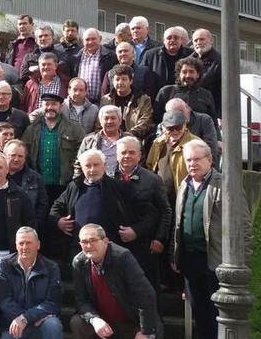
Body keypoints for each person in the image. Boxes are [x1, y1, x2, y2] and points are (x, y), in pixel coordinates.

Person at [171, 139, 250, 339]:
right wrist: (175, 256)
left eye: (197, 159)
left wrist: (241, 261)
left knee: (220, 313)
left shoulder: (224, 184)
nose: (192, 164)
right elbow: (179, 223)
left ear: (210, 159)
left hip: (216, 261)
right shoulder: (185, 184)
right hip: (190, 261)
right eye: (189, 160)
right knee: (201, 313)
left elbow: (243, 225)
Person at [70, 224, 161, 339]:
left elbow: (146, 294)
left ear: (105, 241)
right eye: (84, 242)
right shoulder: (79, 262)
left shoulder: (122, 257)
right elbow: (81, 301)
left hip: (130, 321)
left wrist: (145, 332)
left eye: (93, 240)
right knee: (77, 322)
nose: (88, 245)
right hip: (104, 322)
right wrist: (94, 319)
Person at [50, 150, 157, 259]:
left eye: (96, 165)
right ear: (82, 168)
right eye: (88, 166)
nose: (92, 169)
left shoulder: (120, 187)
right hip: (79, 250)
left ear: (104, 165)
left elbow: (150, 213)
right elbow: (55, 208)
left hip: (111, 251)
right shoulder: (74, 187)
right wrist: (59, 221)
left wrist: (135, 231)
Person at [0, 227, 63, 339]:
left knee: (53, 325)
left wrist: (26, 317)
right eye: (21, 243)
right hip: (14, 324)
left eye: (29, 243)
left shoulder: (51, 267)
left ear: (38, 244)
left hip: (40, 323)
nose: (24, 247)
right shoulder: (4, 264)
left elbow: (52, 302)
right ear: (16, 245)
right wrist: (22, 319)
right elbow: (4, 299)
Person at [115, 136, 171, 288]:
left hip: (145, 244)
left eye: (132, 152)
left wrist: (160, 239)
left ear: (140, 155)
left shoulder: (153, 180)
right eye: (123, 152)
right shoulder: (108, 178)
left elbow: (165, 211)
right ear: (116, 154)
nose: (127, 156)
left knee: (146, 288)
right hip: (116, 244)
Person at [22, 93, 84, 200]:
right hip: (37, 184)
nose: (50, 107)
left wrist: (73, 174)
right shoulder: (31, 129)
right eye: (46, 104)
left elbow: (82, 152)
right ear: (41, 106)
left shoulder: (74, 129)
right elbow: (24, 153)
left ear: (61, 106)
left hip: (64, 184)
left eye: (54, 104)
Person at [146, 111, 199, 199]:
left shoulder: (195, 143)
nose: (175, 131)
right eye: (170, 128)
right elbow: (150, 165)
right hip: (160, 195)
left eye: (178, 127)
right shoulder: (158, 143)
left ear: (185, 125)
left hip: (184, 195)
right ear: (163, 127)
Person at [158, 98, 220, 167]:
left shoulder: (204, 120)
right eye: (173, 115)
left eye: (181, 112)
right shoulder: (165, 126)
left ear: (188, 108)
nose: (177, 117)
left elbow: (211, 148)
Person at [99, 64, 154, 141]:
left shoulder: (143, 99)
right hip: (109, 139)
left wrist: (128, 135)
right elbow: (99, 122)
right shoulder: (106, 100)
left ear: (131, 81)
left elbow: (146, 121)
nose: (120, 82)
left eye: (124, 79)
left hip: (134, 139)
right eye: (117, 79)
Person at [153, 57, 217, 122]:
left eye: (191, 72)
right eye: (184, 72)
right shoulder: (165, 92)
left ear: (198, 74)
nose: (187, 76)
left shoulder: (206, 95)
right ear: (179, 74)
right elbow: (156, 120)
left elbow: (213, 122)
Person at [2, 140, 49, 227]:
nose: (16, 159)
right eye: (13, 155)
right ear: (4, 156)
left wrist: (36, 224)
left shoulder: (35, 178)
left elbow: (42, 205)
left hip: (26, 228)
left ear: (25, 158)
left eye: (20, 156)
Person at [141, 26, 192, 99]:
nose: (172, 40)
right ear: (164, 40)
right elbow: (142, 77)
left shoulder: (190, 55)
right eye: (169, 38)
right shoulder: (150, 55)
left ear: (181, 40)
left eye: (176, 37)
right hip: (157, 98)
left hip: (184, 98)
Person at [74, 105, 125, 178]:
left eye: (113, 118)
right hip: (95, 182)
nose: (109, 121)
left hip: (122, 183)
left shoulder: (128, 139)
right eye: (106, 118)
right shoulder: (89, 140)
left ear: (120, 121)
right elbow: (79, 164)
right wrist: (77, 182)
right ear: (100, 121)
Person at [74, 28, 115, 104]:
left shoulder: (110, 56)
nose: (90, 42)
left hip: (102, 101)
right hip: (81, 102)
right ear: (83, 41)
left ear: (100, 39)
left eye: (93, 39)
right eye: (87, 39)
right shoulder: (76, 57)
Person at [189, 28, 222, 120]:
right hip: (190, 112)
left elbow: (226, 92)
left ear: (211, 41)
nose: (198, 42)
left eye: (202, 39)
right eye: (195, 40)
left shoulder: (221, 62)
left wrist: (221, 115)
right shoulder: (187, 61)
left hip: (211, 113)